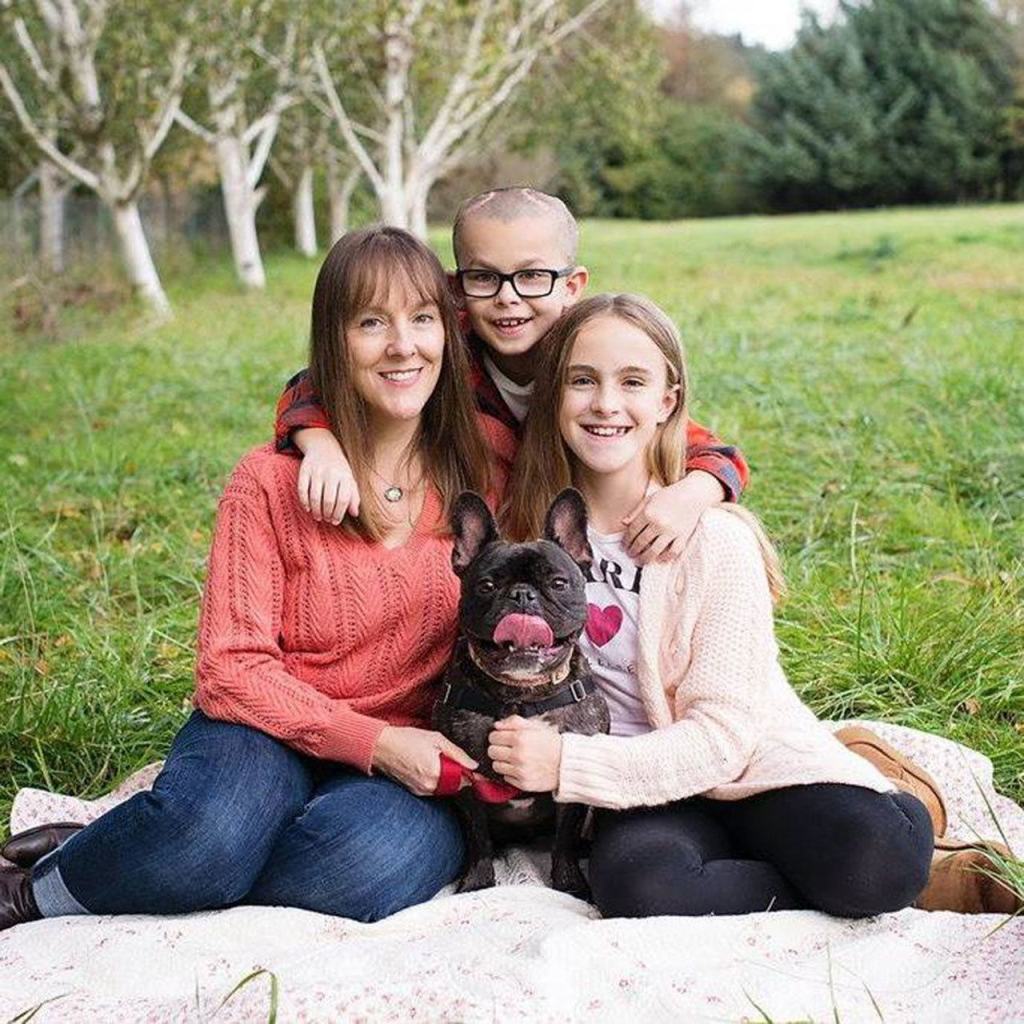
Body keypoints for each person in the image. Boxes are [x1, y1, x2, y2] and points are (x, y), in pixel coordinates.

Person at [0, 226, 505, 932]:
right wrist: (370, 741)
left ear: (449, 335)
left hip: (414, 744)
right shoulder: (267, 482)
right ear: (334, 343)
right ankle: (33, 891)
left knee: (364, 867)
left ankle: (139, 847)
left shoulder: (488, 471)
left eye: (422, 319)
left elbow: (612, 433)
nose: (403, 345)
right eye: (371, 323)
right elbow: (230, 670)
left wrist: (680, 493)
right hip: (264, 727)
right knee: (207, 836)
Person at [490, 292, 1017, 918]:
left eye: (632, 382)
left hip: (746, 760)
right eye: (582, 381)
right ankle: (807, 868)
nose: (606, 403)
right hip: (642, 780)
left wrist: (567, 762)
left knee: (881, 860)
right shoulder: (527, 545)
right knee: (637, 887)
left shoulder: (712, 537)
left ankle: (897, 814)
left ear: (668, 402)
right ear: (552, 397)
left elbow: (723, 737)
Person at [273, 187, 748, 564]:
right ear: (456, 288)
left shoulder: (590, 358)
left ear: (572, 286)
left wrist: (694, 494)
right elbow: (315, 384)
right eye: (484, 278)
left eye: (533, 277)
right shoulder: (445, 350)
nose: (508, 298)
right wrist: (320, 444)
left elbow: (710, 451)